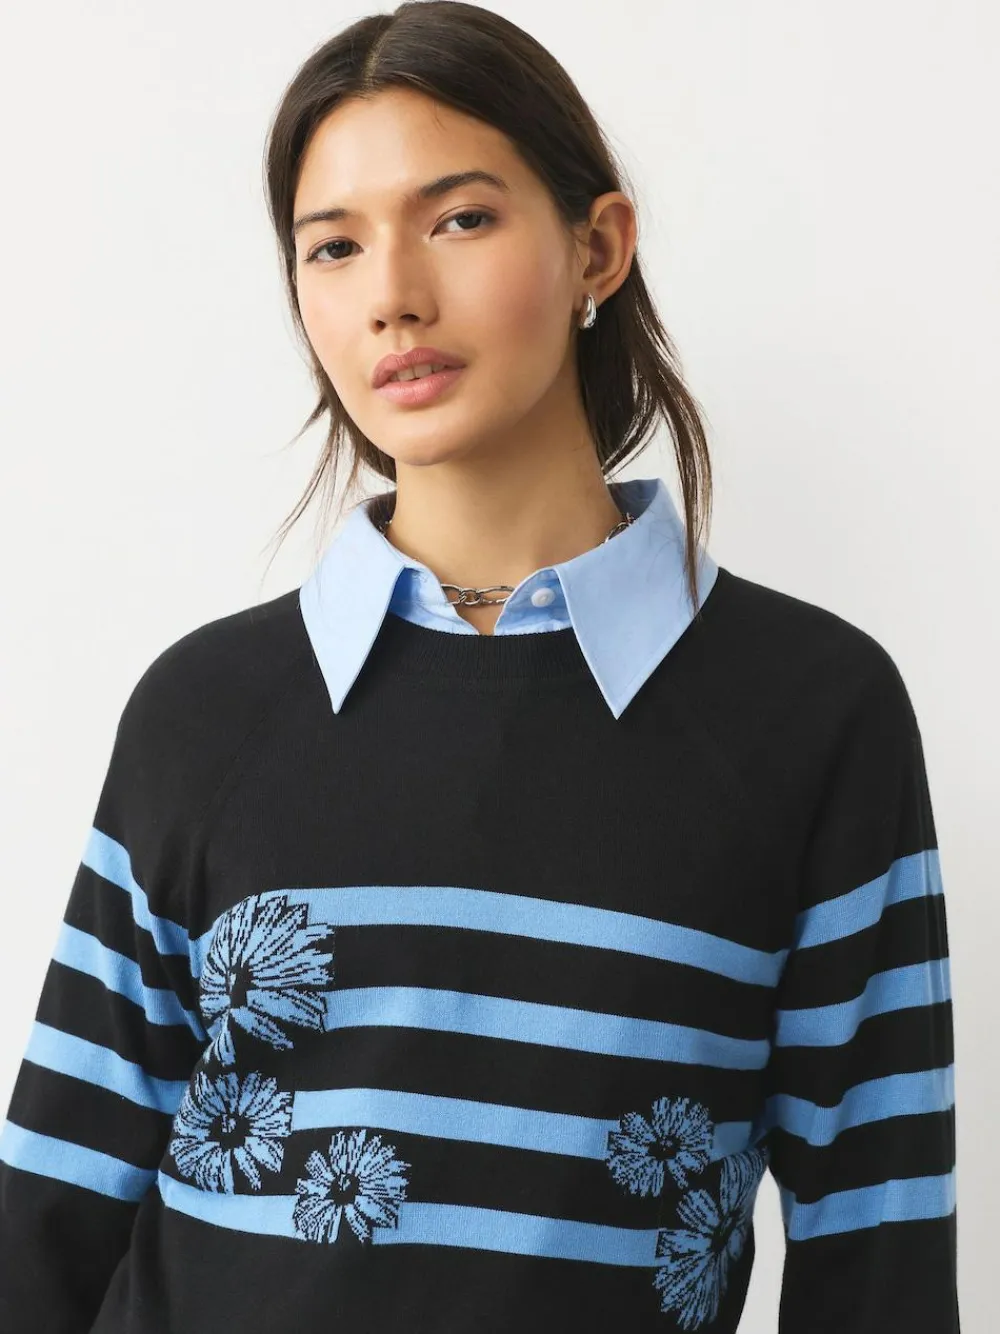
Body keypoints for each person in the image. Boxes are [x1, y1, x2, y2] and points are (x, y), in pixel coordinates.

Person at [0, 3, 959, 1331]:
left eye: (457, 218)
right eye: (334, 245)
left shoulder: (812, 712)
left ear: (597, 247)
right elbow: (49, 1218)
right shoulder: (204, 710)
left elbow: (881, 1252)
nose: (391, 292)